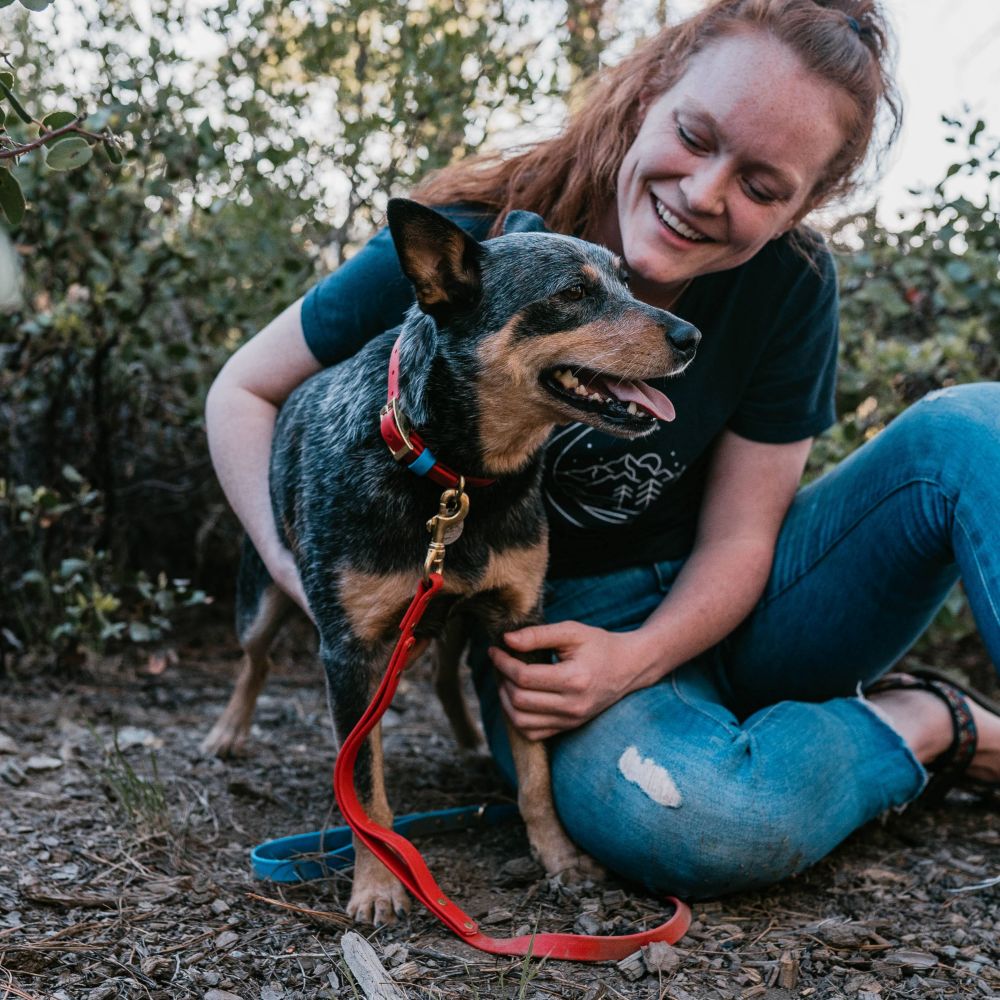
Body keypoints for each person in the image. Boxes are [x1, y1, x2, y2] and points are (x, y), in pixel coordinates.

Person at [206, 0, 1000, 898]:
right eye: (695, 136)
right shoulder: (469, 245)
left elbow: (742, 539)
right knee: (714, 821)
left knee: (974, 429)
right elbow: (242, 391)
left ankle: (807, 719)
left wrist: (640, 656)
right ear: (646, 95)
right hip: (557, 628)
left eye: (763, 187)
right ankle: (925, 722)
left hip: (745, 605)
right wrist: (291, 565)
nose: (704, 194)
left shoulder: (793, 284)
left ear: (803, 206)